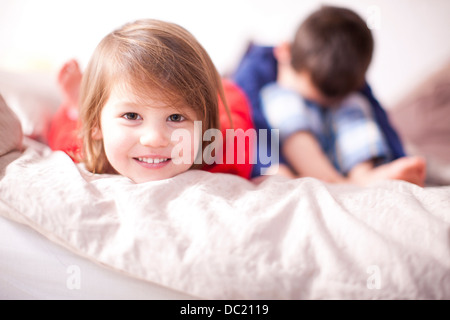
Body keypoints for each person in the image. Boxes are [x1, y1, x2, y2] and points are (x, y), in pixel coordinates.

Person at [235, 6, 426, 186]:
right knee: (282, 99)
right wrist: (269, 166)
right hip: (288, 156)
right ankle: (332, 180)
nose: (313, 104)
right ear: (284, 51)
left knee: (355, 102)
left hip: (339, 156)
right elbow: (244, 122)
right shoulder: (255, 68)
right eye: (309, 96)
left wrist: (401, 159)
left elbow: (380, 118)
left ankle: (362, 176)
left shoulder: (347, 78)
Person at [47, 19, 254, 183]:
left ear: (204, 129)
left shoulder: (224, 155)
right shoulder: (85, 152)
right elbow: (60, 136)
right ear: (94, 125)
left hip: (226, 92)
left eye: (175, 117)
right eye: (132, 116)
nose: (154, 139)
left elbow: (239, 118)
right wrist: (75, 108)